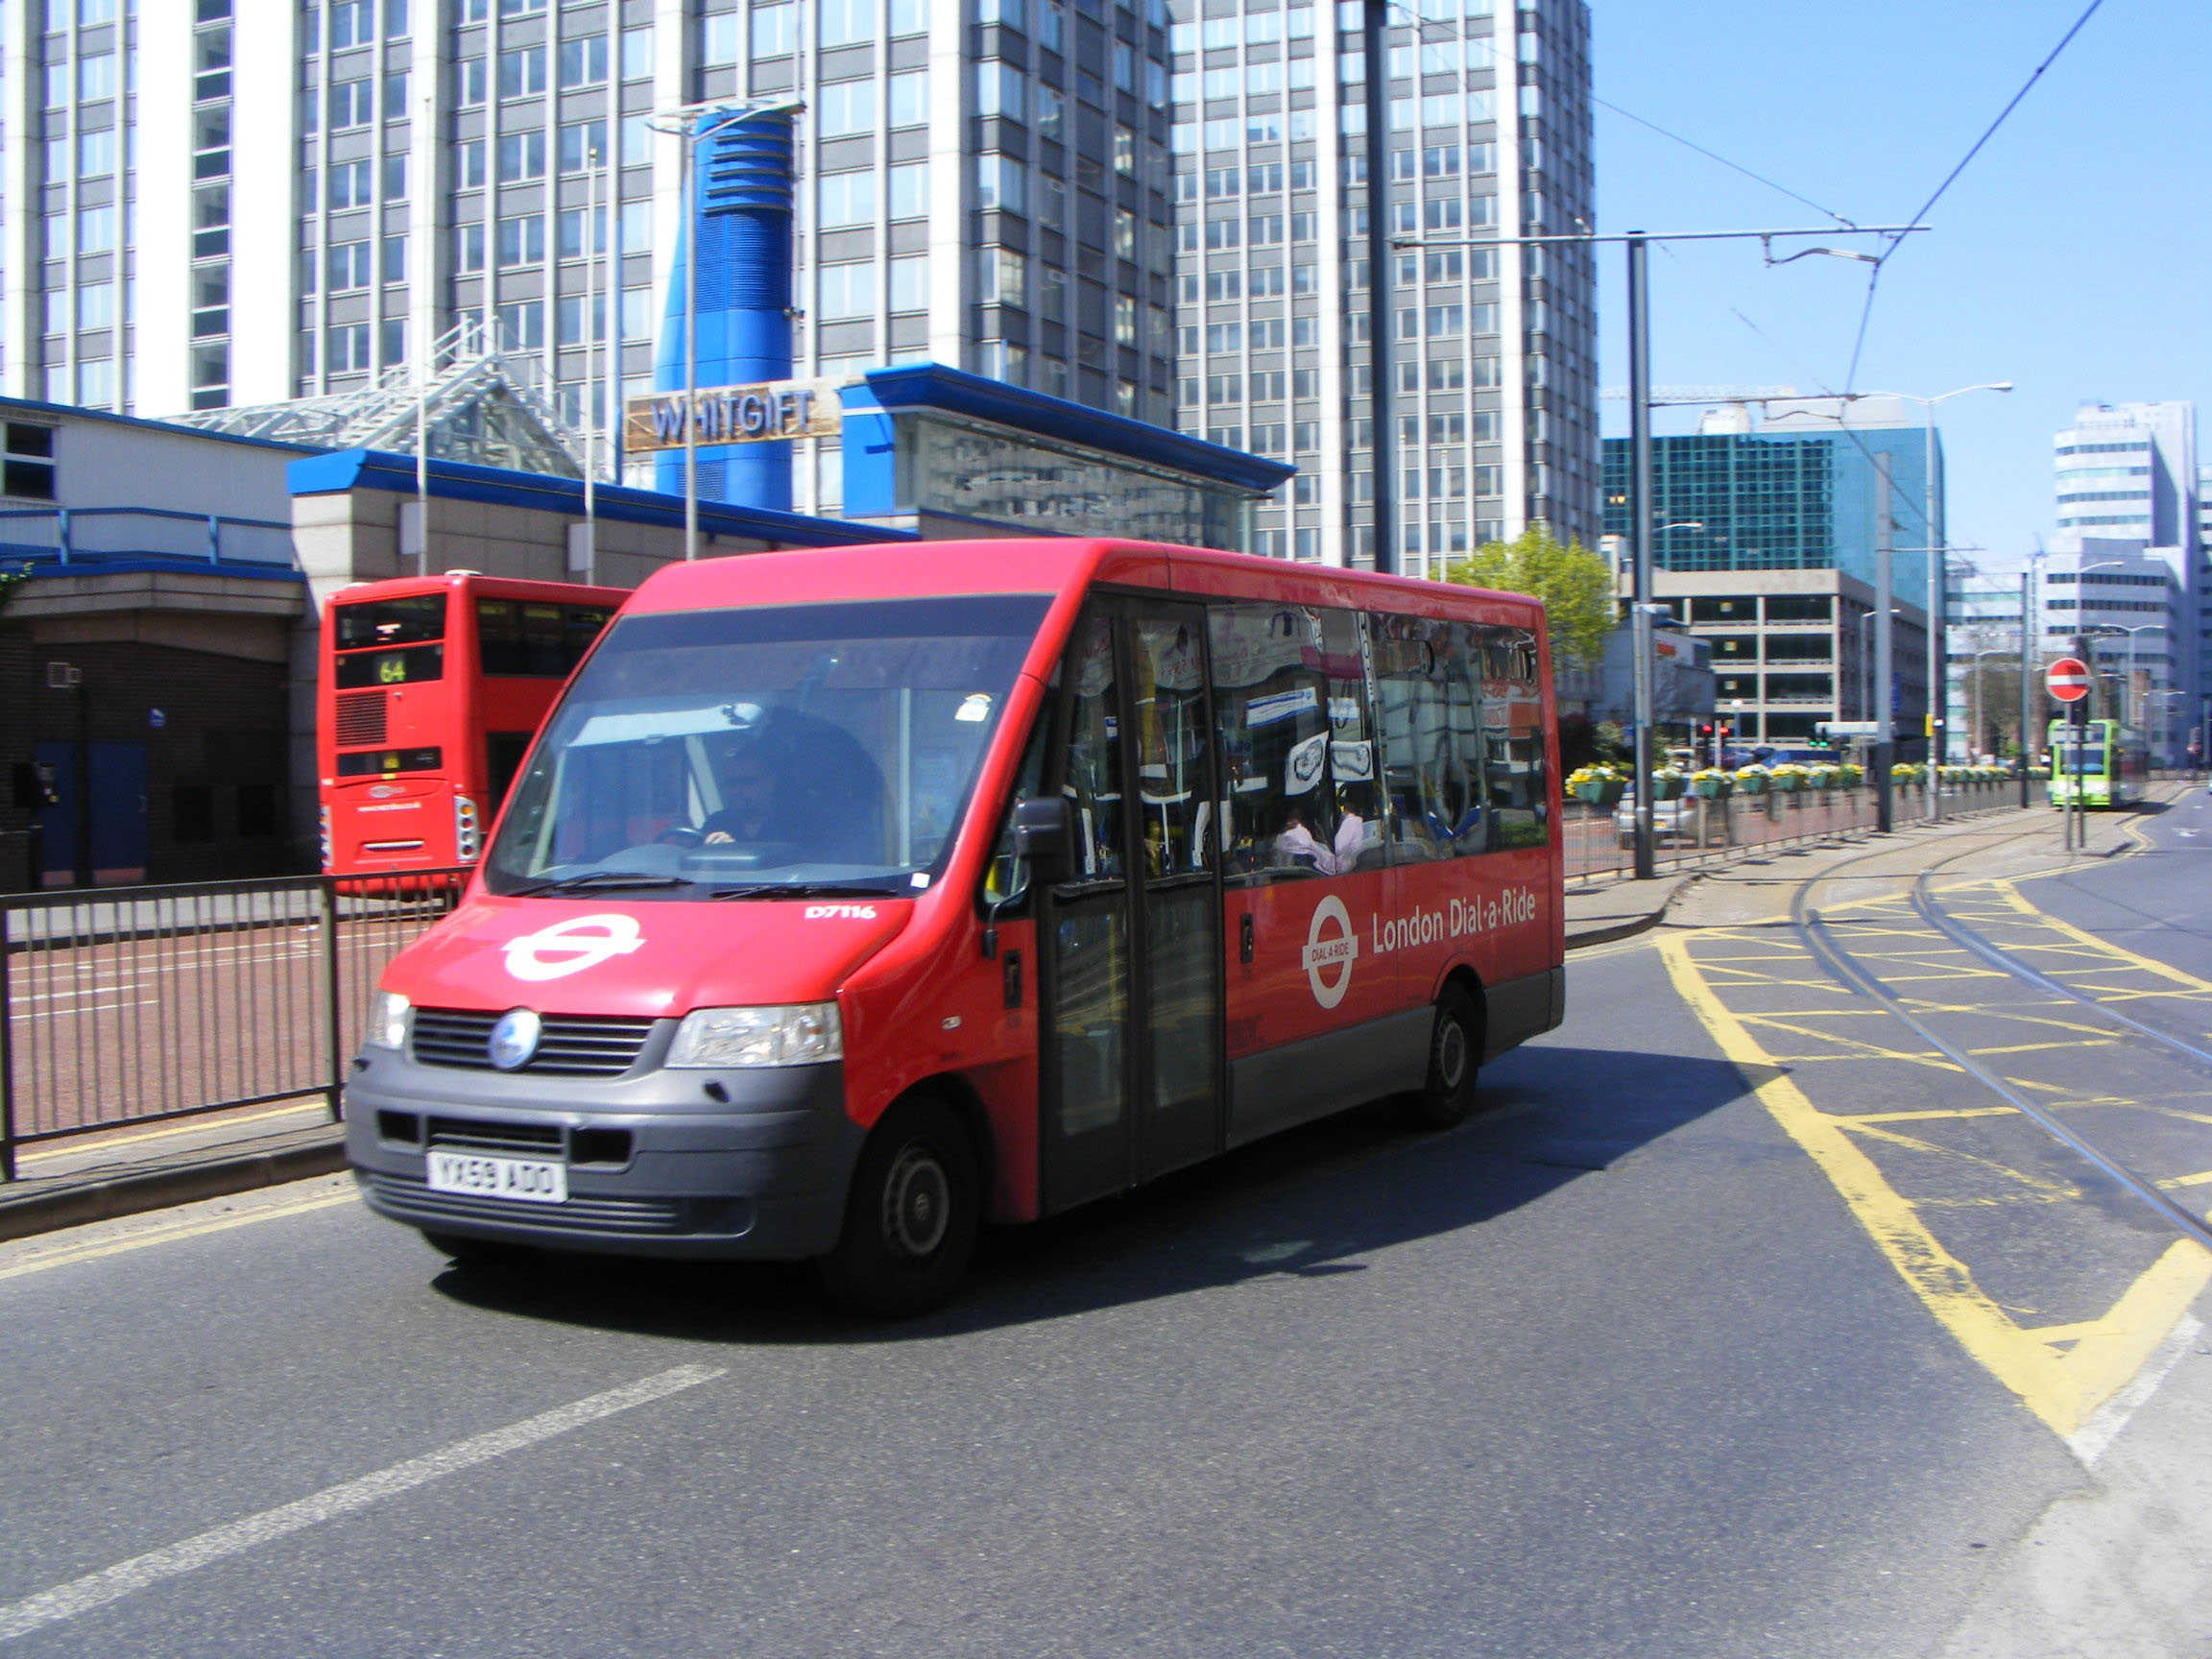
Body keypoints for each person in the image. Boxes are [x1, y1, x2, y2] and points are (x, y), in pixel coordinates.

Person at [701, 743, 784, 843]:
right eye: (730, 783)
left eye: (748, 781)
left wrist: (733, 850)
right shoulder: (716, 823)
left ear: (771, 783)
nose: (737, 789)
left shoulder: (793, 823)